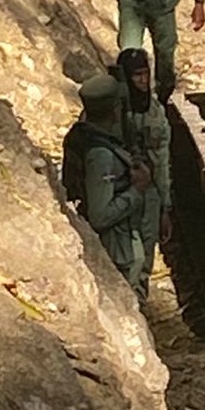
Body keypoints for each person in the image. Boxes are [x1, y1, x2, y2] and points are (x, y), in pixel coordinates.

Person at [63, 74, 149, 301]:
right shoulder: (100, 155)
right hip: (116, 248)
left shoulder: (86, 134)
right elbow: (100, 215)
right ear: (114, 109)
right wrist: (136, 191)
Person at [114, 48, 172, 280]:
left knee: (145, 256)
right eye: (136, 75)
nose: (143, 80)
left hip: (148, 193)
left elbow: (162, 160)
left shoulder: (155, 111)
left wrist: (165, 209)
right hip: (119, 191)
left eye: (145, 73)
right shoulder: (112, 111)